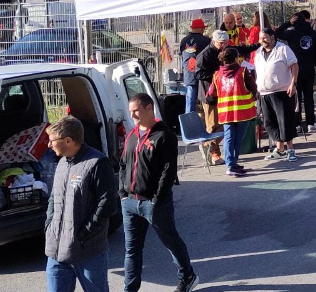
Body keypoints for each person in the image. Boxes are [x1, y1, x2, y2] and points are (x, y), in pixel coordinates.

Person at [120, 93, 197, 292]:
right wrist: (122, 193)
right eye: (131, 112)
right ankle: (130, 289)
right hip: (130, 202)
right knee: (132, 250)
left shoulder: (164, 136)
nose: (133, 116)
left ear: (149, 108)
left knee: (170, 241)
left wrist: (157, 199)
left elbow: (168, 171)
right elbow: (123, 164)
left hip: (154, 204)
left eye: (136, 111)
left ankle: (187, 276)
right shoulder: (132, 134)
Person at [44, 115, 118, 292]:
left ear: (68, 140)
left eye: (52, 140)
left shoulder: (98, 164)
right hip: (56, 253)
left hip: (88, 253)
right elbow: (54, 198)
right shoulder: (62, 162)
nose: (48, 144)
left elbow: (107, 205)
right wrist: (49, 226)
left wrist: (84, 235)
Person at [206, 47, 258, 177]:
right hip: (242, 112)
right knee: (237, 139)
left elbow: (211, 94)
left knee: (229, 139)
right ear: (236, 59)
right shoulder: (243, 72)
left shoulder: (217, 74)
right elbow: (253, 87)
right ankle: (232, 164)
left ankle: (231, 164)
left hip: (226, 113)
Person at [254, 27, 300, 161]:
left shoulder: (283, 49)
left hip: (282, 91)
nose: (262, 40)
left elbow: (294, 65)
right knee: (269, 122)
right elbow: (258, 71)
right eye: (260, 38)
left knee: (285, 121)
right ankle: (279, 149)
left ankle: (290, 149)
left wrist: (293, 83)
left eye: (265, 37)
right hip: (264, 93)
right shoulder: (258, 53)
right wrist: (258, 88)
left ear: (273, 37)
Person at [277, 12, 316, 133]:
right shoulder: (314, 34)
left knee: (296, 98)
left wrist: (288, 23)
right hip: (310, 68)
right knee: (309, 96)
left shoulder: (292, 34)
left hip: (295, 69)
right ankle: (311, 122)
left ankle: (297, 123)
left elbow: (277, 33)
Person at [196, 32, 228, 164]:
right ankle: (213, 152)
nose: (224, 45)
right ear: (214, 41)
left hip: (221, 93)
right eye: (221, 43)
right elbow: (198, 73)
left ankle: (208, 146)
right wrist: (215, 75)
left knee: (223, 124)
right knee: (213, 125)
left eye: (226, 43)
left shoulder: (222, 52)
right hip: (209, 95)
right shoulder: (205, 54)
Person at [178, 19, 211, 113]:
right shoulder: (206, 41)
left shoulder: (184, 41)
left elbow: (182, 57)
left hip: (189, 75)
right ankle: (207, 124)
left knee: (190, 102)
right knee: (206, 102)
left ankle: (188, 125)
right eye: (203, 28)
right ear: (201, 28)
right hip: (204, 76)